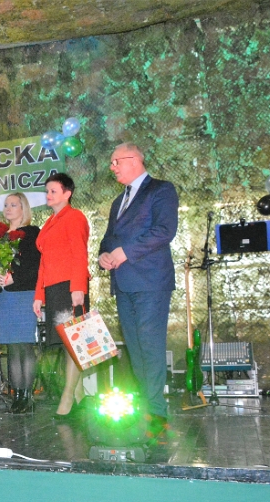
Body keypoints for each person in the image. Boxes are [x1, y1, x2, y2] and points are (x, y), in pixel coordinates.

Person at [98, 143, 178, 441]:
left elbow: (164, 231)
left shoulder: (161, 189)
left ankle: (156, 413)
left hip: (151, 281)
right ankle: (146, 408)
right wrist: (104, 255)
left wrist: (124, 252)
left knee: (150, 346)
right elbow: (109, 238)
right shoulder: (118, 201)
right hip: (124, 283)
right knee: (135, 348)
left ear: (134, 160)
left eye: (115, 161)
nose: (112, 167)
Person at [33, 174, 90, 417]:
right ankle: (80, 398)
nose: (48, 195)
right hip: (54, 288)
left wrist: (78, 288)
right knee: (66, 342)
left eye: (53, 191)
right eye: (47, 191)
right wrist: (39, 294)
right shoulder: (50, 222)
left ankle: (67, 398)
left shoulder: (74, 217)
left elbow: (80, 253)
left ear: (67, 193)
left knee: (73, 343)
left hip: (70, 286)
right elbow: (43, 263)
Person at [0, 193, 41, 414]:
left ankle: (27, 396)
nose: (8, 208)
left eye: (13, 205)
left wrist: (14, 278)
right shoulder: (0, 236)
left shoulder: (32, 233)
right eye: (6, 205)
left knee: (24, 345)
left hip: (24, 293)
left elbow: (35, 266)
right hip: (5, 296)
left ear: (24, 209)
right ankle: (17, 395)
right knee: (12, 347)